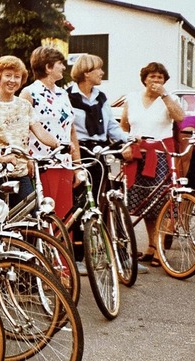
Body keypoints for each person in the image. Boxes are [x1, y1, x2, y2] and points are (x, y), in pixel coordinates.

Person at [66, 54, 149, 274]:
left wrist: (128, 138)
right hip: (82, 154)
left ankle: (123, 258)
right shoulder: (68, 97)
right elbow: (68, 129)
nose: (102, 73)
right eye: (99, 69)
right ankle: (78, 257)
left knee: (112, 204)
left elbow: (112, 126)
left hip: (103, 154)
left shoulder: (101, 97)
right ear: (86, 73)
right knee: (81, 205)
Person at [120, 61, 184, 267]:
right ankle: (151, 245)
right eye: (152, 77)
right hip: (137, 153)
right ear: (144, 79)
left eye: (160, 78)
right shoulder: (132, 98)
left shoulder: (169, 98)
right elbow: (124, 126)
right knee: (146, 202)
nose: (156, 81)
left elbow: (180, 117)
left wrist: (165, 95)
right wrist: (126, 145)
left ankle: (158, 247)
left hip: (160, 153)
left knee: (161, 200)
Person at [0, 55, 59, 207]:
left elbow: (40, 132)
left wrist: (58, 144)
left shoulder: (24, 106)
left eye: (17, 77)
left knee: (30, 220)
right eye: (8, 75)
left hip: (21, 172)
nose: (12, 80)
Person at [20, 46, 82, 221]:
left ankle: (62, 249)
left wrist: (77, 165)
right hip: (43, 164)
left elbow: (71, 130)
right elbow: (22, 129)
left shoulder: (63, 93)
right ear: (48, 67)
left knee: (65, 217)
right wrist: (26, 159)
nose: (64, 67)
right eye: (60, 63)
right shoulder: (29, 93)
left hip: (65, 163)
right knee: (48, 216)